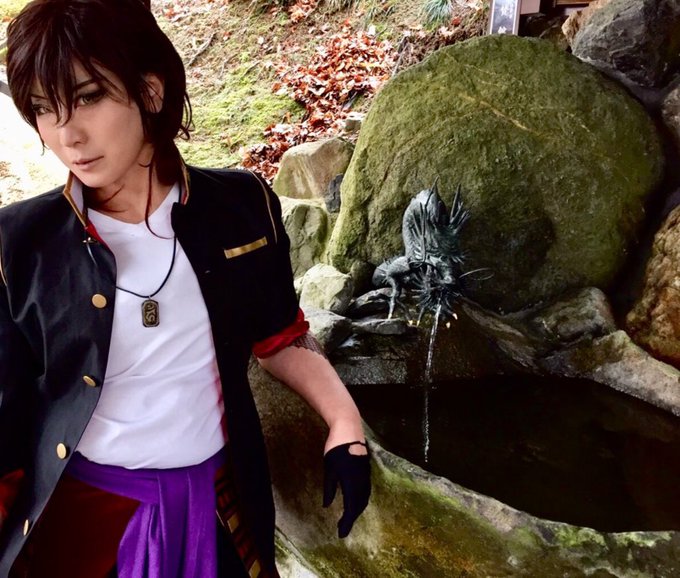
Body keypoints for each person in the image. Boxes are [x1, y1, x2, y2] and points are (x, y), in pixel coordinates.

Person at [0, 0, 371, 576]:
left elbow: (280, 336)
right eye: (44, 108)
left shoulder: (241, 206)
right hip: (85, 526)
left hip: (220, 512)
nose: (67, 134)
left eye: (89, 97)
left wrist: (345, 422)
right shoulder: (20, 243)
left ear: (150, 91)